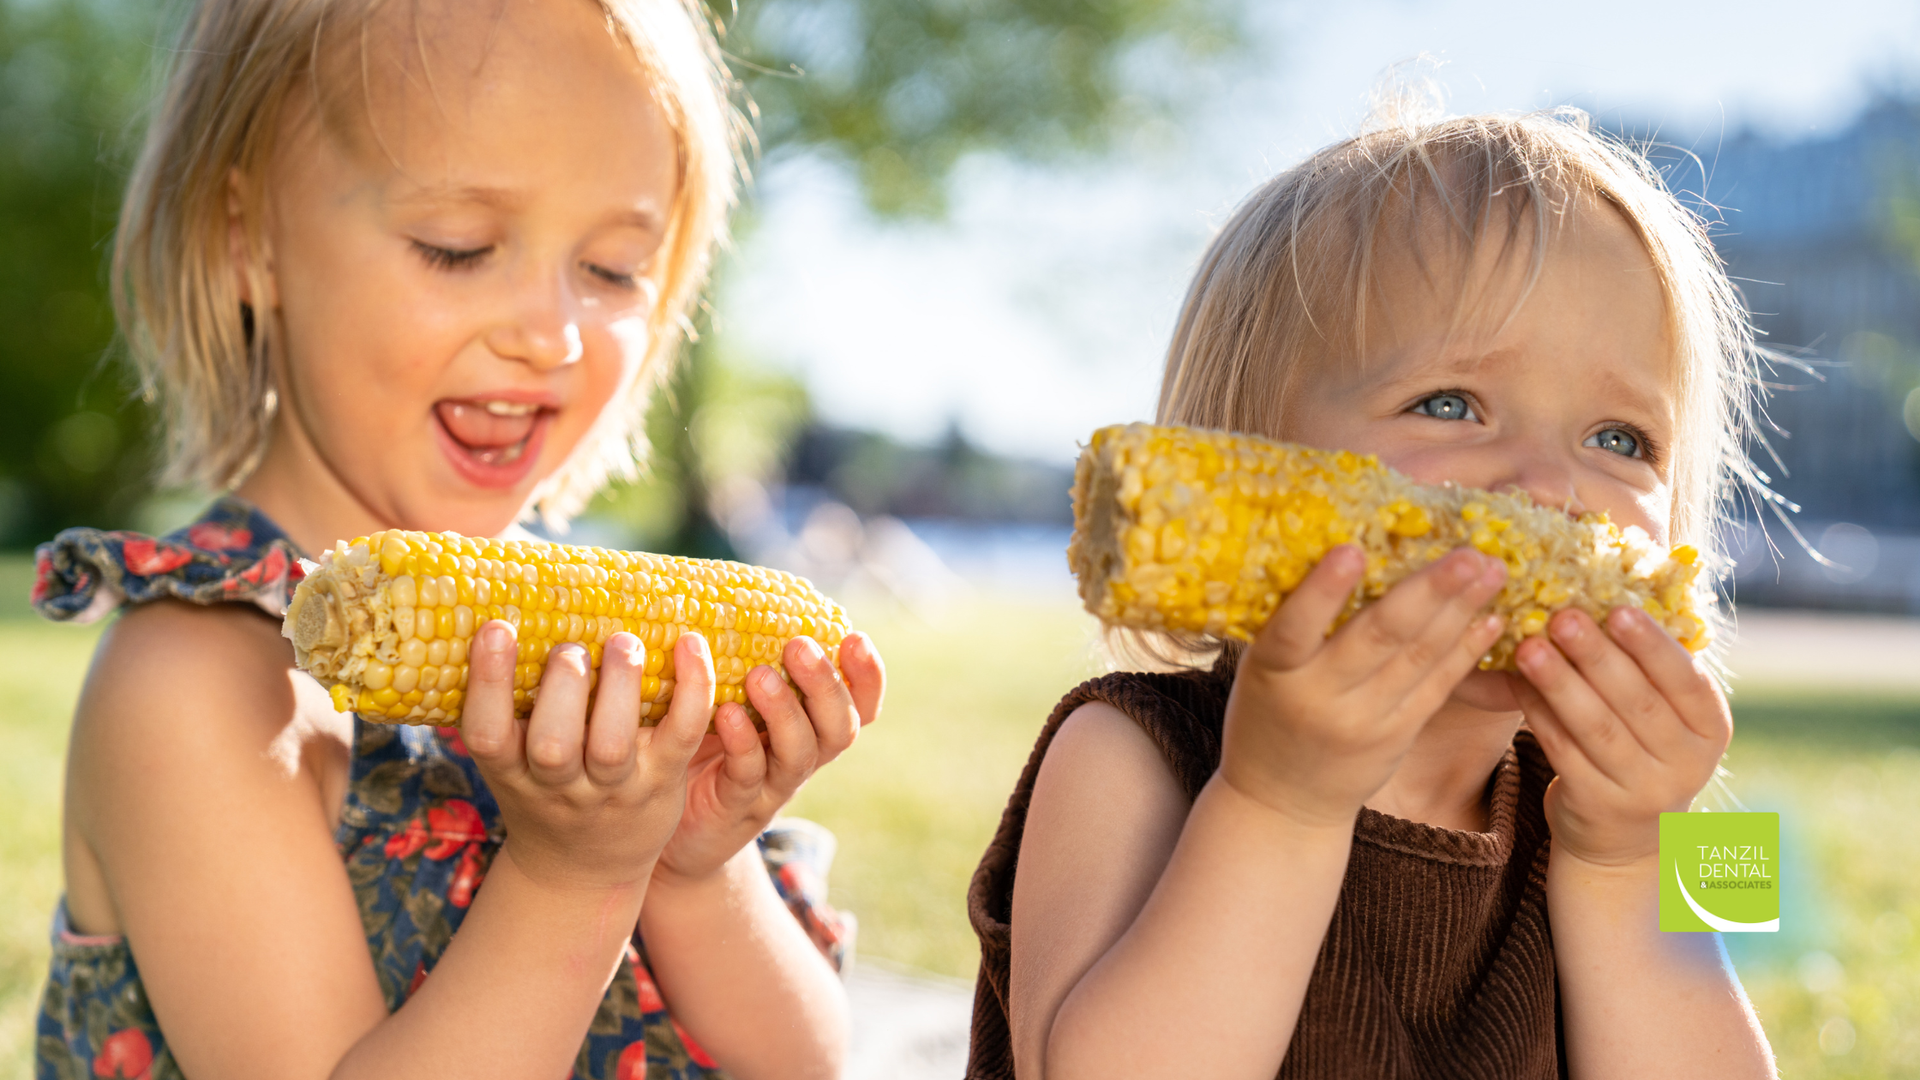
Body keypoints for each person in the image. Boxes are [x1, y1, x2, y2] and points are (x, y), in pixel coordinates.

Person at [31, 2, 884, 1078]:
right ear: (245, 239)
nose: (550, 332)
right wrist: (571, 876)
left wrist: (688, 867)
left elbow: (801, 1063)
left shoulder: (615, 665)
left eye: (615, 269)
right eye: (458, 248)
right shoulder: (199, 685)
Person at [968, 103, 1777, 1079]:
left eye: (1621, 439)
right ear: (1247, 454)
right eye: (1451, 405)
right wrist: (1279, 805)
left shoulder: (1667, 818)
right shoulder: (1125, 753)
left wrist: (1631, 859)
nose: (1549, 489)